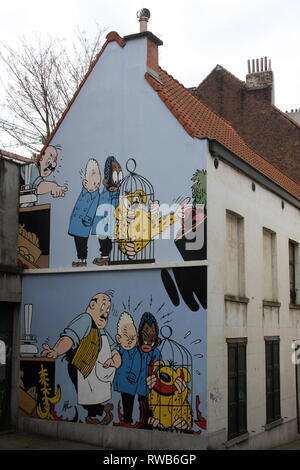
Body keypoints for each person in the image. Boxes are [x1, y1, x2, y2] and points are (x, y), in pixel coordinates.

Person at [41, 292, 115, 425]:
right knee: (86, 394)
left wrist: (115, 358)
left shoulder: (100, 330)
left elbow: (112, 345)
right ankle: (98, 411)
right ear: (92, 305)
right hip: (78, 366)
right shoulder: (85, 319)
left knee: (91, 393)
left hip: (91, 368)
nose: (105, 313)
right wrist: (56, 351)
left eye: (108, 310)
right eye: (103, 308)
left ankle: (96, 412)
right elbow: (70, 337)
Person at [104, 312, 141, 425]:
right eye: (126, 337)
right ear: (118, 339)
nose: (130, 340)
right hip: (121, 382)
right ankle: (126, 419)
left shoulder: (135, 352)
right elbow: (115, 362)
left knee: (128, 401)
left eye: (133, 337)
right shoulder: (119, 351)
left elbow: (137, 365)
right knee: (124, 401)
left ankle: (127, 420)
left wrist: (132, 376)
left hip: (130, 383)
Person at [68, 159, 101, 267]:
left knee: (82, 243)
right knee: (77, 242)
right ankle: (80, 259)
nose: (96, 186)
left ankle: (83, 260)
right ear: (86, 183)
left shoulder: (96, 195)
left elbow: (93, 209)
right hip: (76, 221)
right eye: (94, 183)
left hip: (84, 223)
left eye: (98, 183)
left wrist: (88, 218)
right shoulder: (84, 191)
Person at [92, 156, 123, 266]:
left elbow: (118, 204)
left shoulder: (117, 193)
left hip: (111, 219)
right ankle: (105, 257)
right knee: (103, 238)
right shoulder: (105, 191)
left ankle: (106, 256)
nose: (115, 186)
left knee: (109, 238)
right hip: (102, 219)